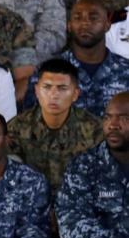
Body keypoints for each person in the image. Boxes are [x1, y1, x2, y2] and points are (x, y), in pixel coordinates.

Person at [8, 59, 104, 199]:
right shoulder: (16, 128)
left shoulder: (95, 130)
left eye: (62, 88)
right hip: (32, 207)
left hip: (78, 207)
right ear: (36, 91)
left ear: (75, 94)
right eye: (47, 87)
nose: (53, 95)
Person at [56, 90, 129, 238]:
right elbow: (70, 224)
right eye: (108, 117)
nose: (113, 125)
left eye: (124, 118)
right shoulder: (83, 166)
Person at [34, 0, 129, 117]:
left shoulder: (126, 70)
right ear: (69, 26)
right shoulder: (47, 71)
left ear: (107, 25)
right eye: (78, 18)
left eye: (93, 18)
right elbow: (32, 119)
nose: (85, 23)